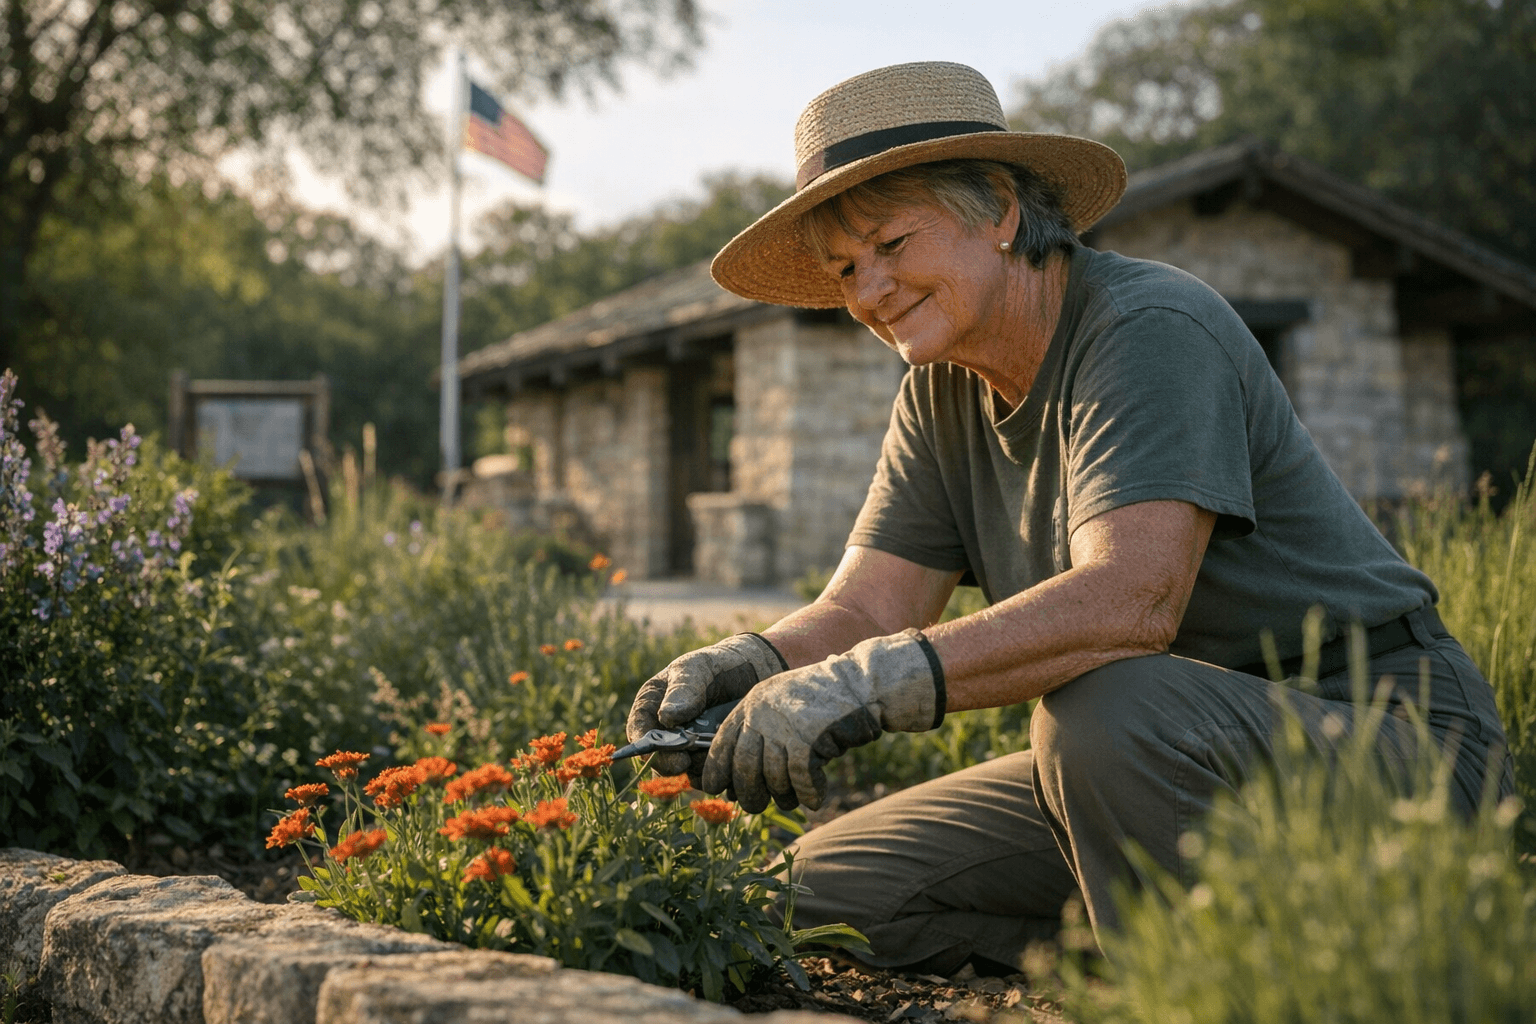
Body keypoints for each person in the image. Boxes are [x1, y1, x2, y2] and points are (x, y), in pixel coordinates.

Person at [625, 61, 1514, 973]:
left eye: (893, 242)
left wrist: (861, 686)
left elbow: (1133, 602)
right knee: (822, 892)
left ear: (1001, 213)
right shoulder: (938, 393)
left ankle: (1213, 984)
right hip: (1160, 763)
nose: (870, 290)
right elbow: (866, 611)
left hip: (1382, 743)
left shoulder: (1148, 325)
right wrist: (755, 663)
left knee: (1102, 703)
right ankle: (1180, 955)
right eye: (847, 268)